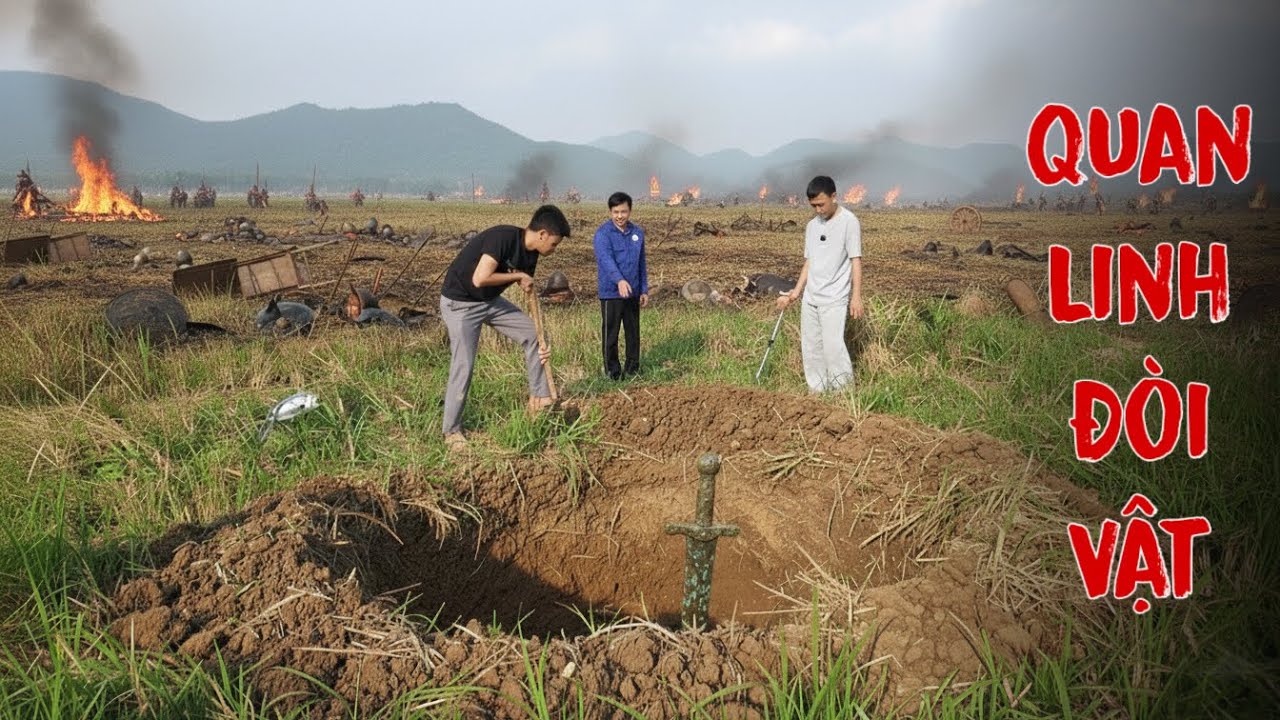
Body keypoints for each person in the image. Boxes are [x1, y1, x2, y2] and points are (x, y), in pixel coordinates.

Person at [439, 204, 571, 449]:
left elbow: (524, 283)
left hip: (488, 301)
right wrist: (518, 277)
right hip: (461, 303)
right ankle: (452, 431)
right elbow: (480, 278)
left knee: (533, 335)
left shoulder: (531, 255)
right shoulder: (503, 238)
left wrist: (527, 284)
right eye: (554, 244)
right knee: (464, 364)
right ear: (542, 234)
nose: (554, 249)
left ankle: (540, 398)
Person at [776, 175, 864, 393]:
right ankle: (817, 390)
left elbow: (856, 260)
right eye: (813, 205)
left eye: (821, 204)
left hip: (834, 298)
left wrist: (856, 296)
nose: (818, 210)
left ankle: (842, 392)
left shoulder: (849, 222)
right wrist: (796, 292)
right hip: (811, 298)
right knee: (811, 347)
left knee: (833, 347)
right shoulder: (812, 226)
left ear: (834, 196)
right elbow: (809, 262)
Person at [592, 191, 648, 380]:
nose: (620, 216)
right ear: (610, 212)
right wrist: (619, 280)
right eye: (616, 212)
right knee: (611, 336)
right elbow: (605, 260)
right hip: (611, 293)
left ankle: (632, 370)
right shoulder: (603, 234)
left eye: (623, 212)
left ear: (630, 211)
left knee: (633, 334)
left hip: (632, 292)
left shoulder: (637, 233)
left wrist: (644, 289)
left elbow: (641, 263)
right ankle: (612, 373)